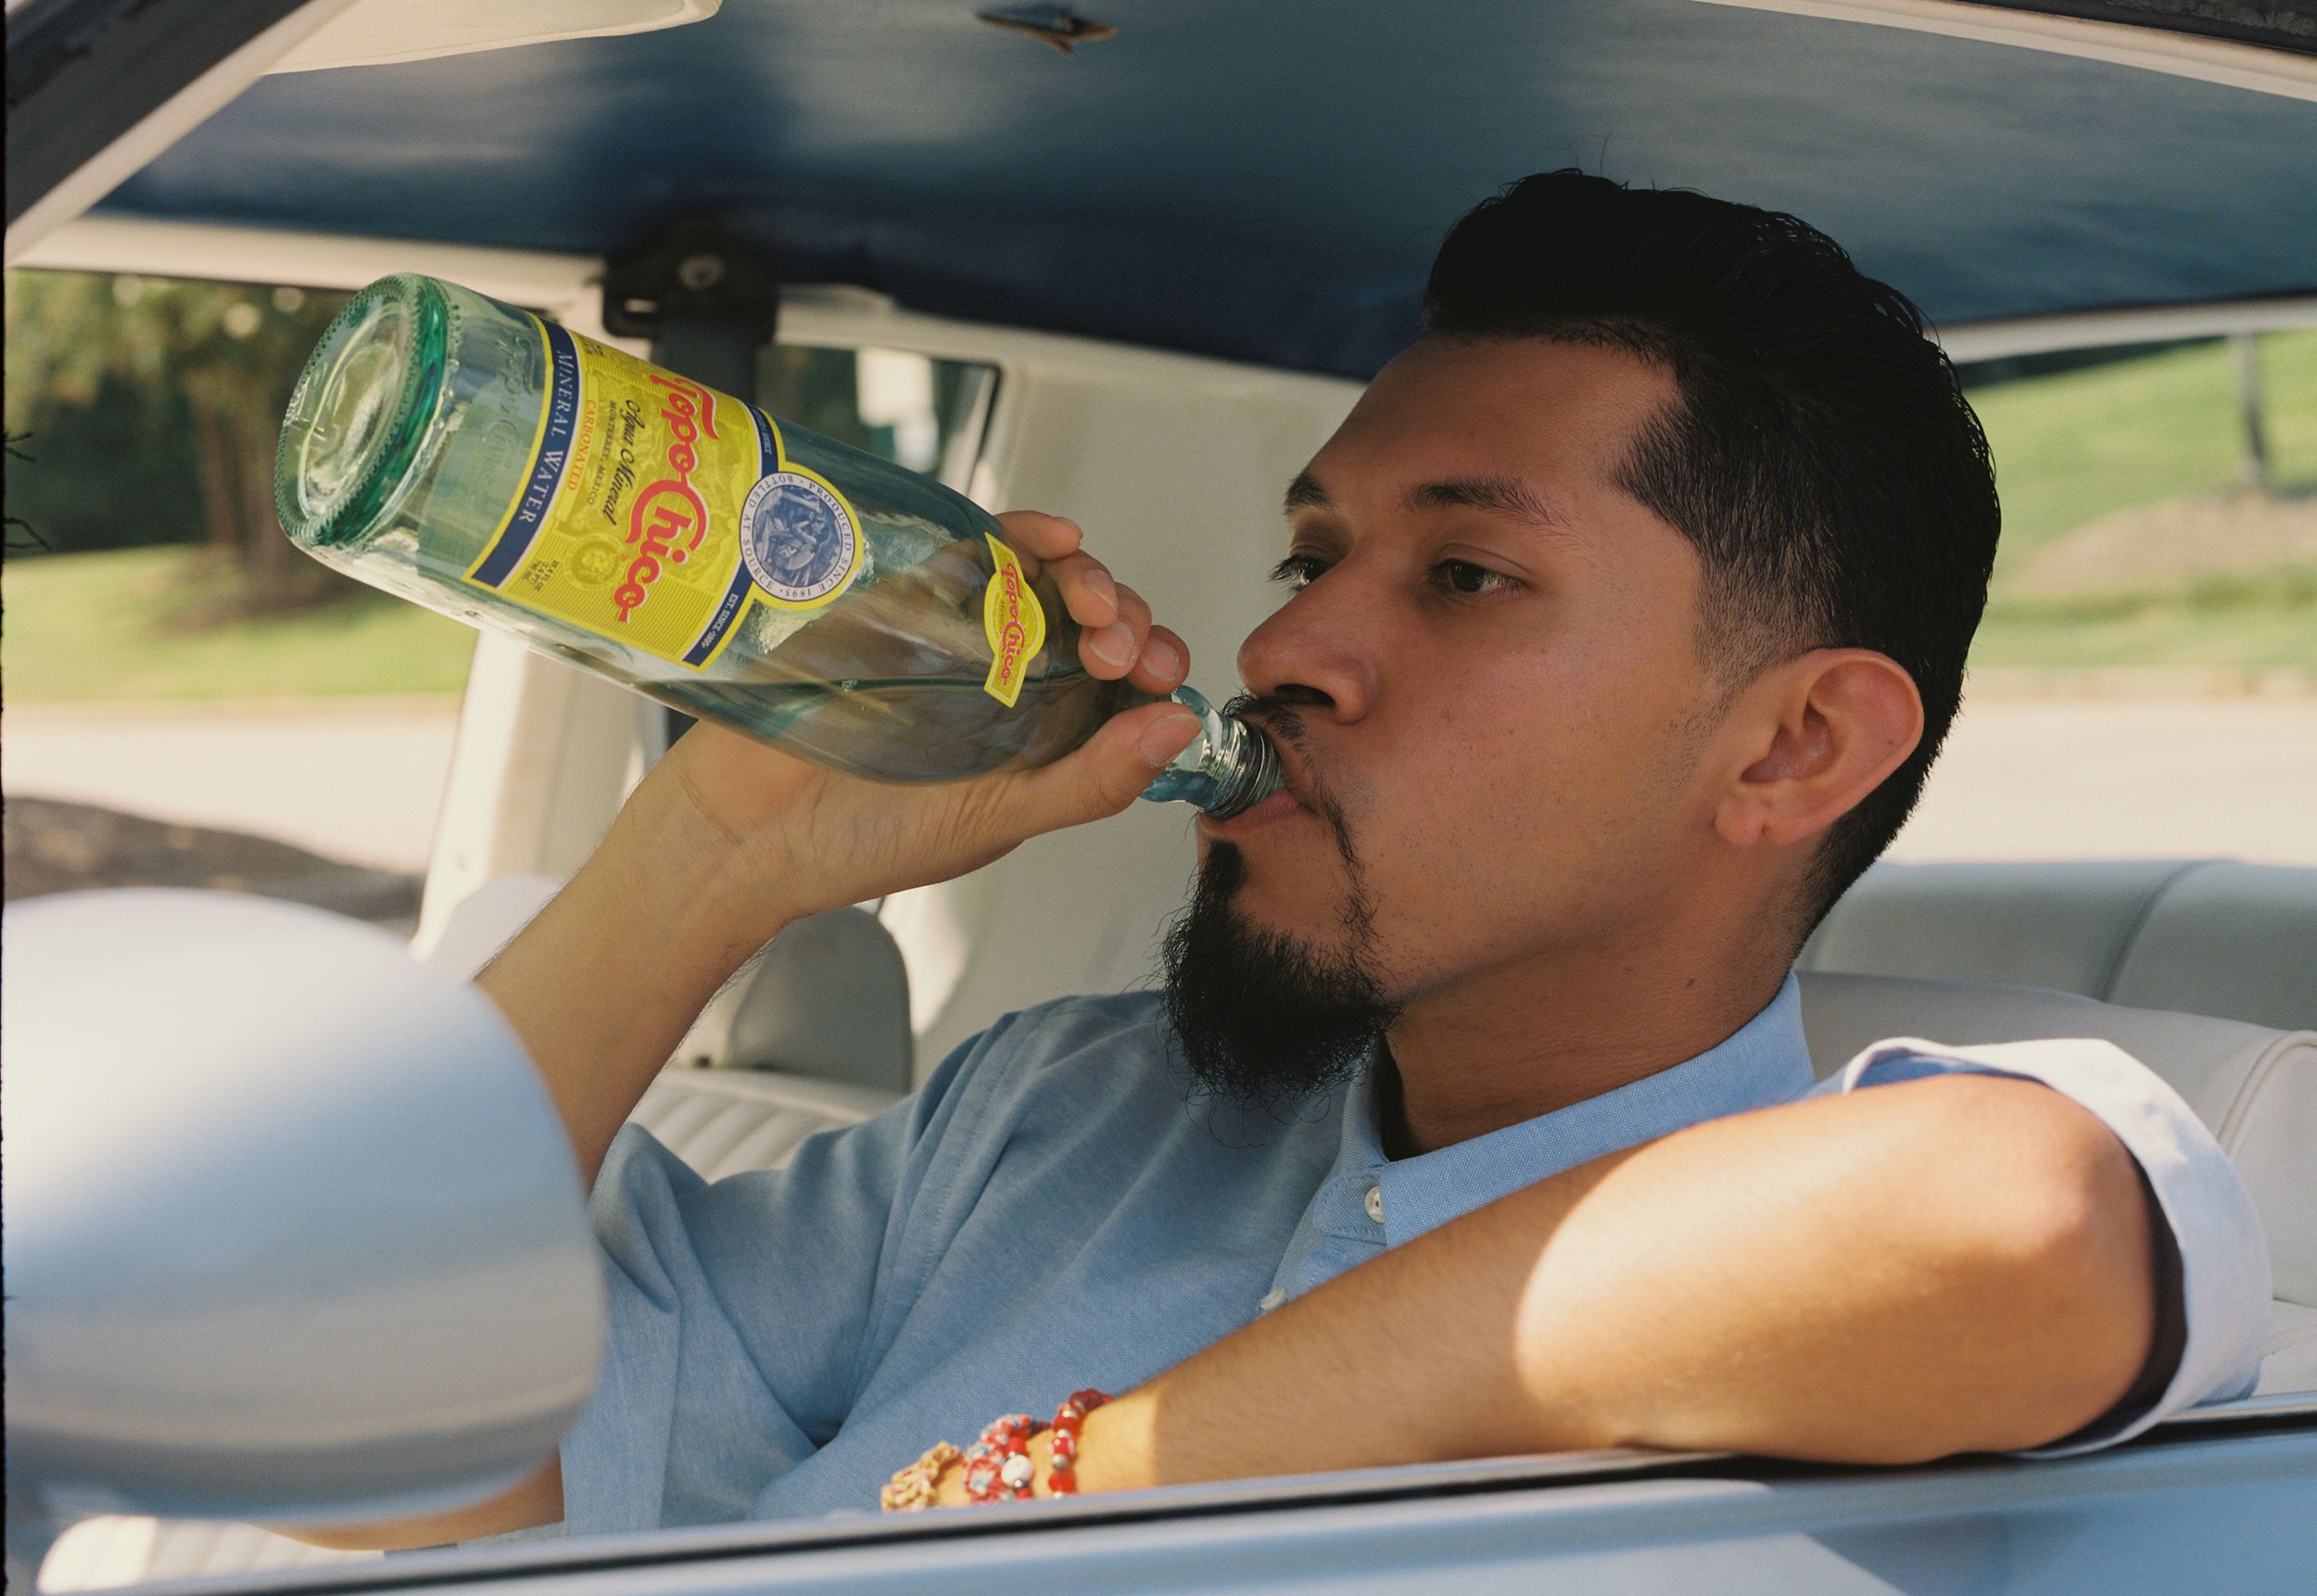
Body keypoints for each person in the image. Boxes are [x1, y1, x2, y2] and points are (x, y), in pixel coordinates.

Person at [298, 171, 2267, 1547]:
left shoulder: (1854, 1243)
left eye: (1466, 573)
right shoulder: (1062, 1116)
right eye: (1307, 556)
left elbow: (2012, 1222)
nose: (1282, 650)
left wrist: (1069, 1484)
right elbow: (343, 1416)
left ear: (1789, 744)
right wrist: (708, 850)